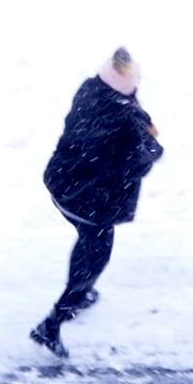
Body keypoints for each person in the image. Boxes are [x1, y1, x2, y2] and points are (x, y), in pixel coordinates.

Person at [31, 47, 163, 357]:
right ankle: (52, 323)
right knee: (95, 256)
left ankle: (81, 295)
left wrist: (141, 128)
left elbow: (123, 122)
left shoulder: (92, 88)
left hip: (63, 183)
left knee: (87, 241)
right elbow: (137, 163)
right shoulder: (123, 121)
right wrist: (153, 147)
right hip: (90, 200)